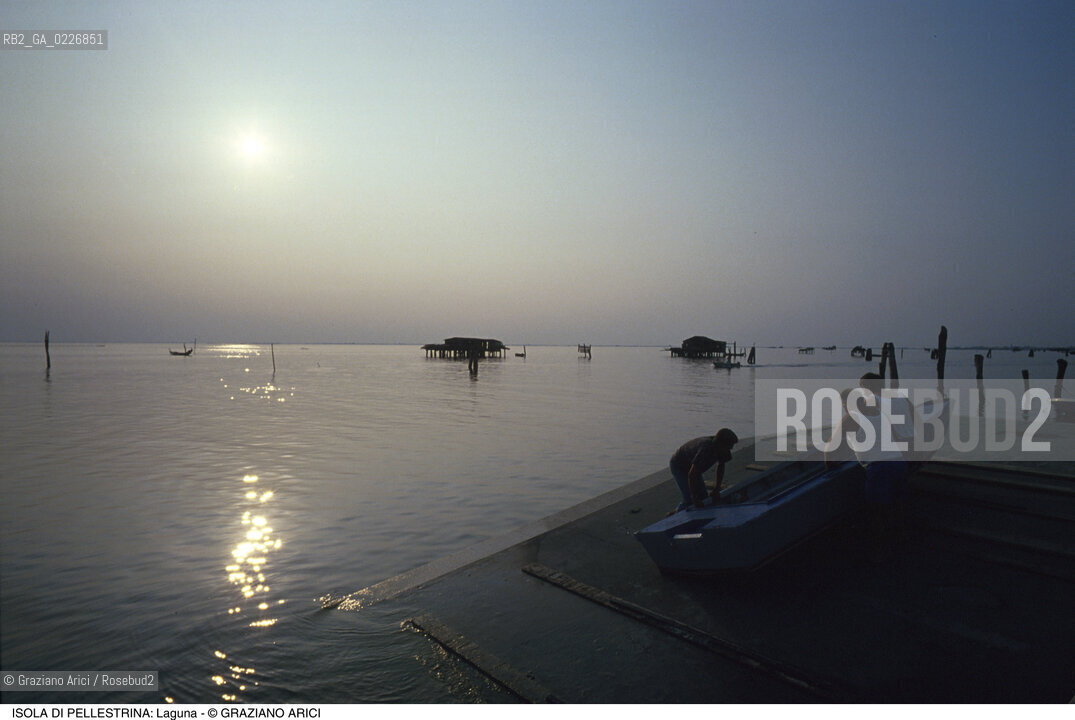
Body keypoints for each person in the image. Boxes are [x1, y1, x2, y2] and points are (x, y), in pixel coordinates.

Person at [825, 373, 917, 551]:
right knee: (896, 505)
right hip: (899, 462)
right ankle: (901, 538)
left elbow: (830, 449)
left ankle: (879, 552)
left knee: (876, 511)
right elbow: (896, 438)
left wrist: (830, 466)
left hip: (879, 467)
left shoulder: (849, 418)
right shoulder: (881, 414)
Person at [669, 428, 738, 511]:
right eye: (729, 446)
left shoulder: (724, 449)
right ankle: (677, 515)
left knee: (703, 497)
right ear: (721, 444)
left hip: (694, 466)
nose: (731, 449)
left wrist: (716, 488)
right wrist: (694, 497)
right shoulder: (706, 449)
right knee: (689, 500)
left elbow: (721, 466)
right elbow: (692, 475)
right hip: (679, 465)